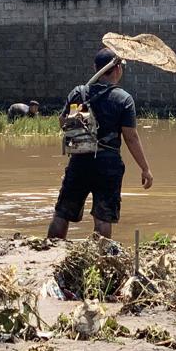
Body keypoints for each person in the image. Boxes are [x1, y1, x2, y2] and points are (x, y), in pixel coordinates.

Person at [47, 47, 153, 241]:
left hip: (80, 159)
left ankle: (50, 250)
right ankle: (100, 254)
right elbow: (131, 137)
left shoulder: (78, 93)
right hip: (108, 163)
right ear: (117, 69)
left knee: (62, 213)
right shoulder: (123, 99)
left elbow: (62, 122)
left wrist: (78, 115)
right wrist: (145, 168)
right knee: (103, 218)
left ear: (95, 68)